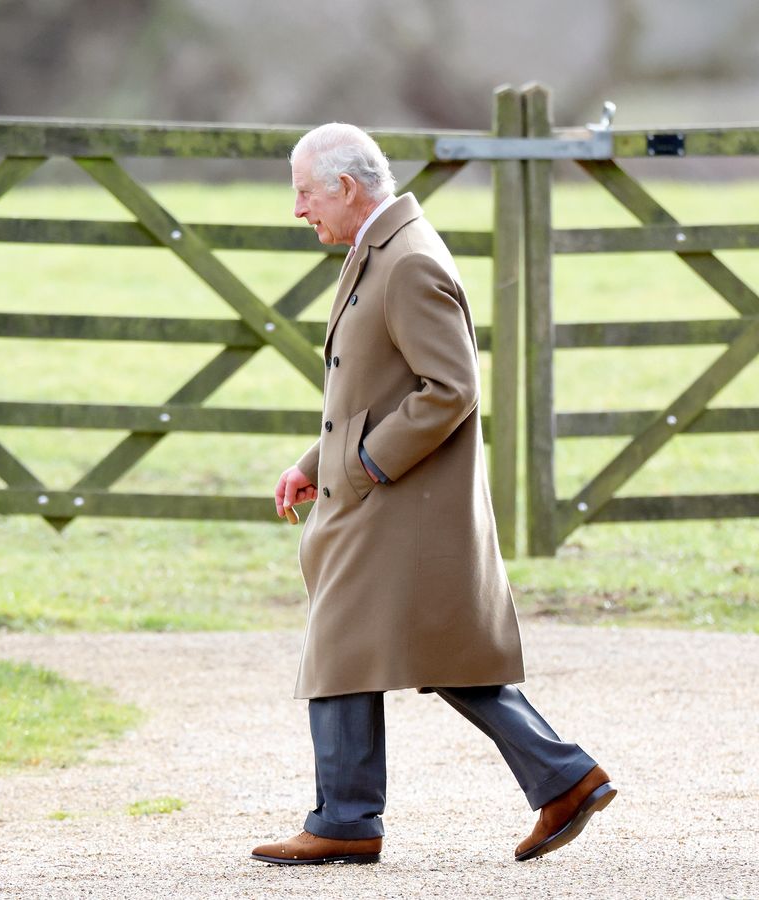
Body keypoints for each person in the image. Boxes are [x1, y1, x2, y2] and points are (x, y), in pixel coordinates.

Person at [253, 123, 615, 866]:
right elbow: (371, 388)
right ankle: (560, 778)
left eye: (305, 193)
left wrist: (362, 467)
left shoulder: (409, 261)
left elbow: (449, 388)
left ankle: (348, 819)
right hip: (379, 494)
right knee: (413, 649)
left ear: (347, 189)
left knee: (354, 639)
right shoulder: (382, 249)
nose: (298, 210)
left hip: (398, 501)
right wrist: (316, 463)